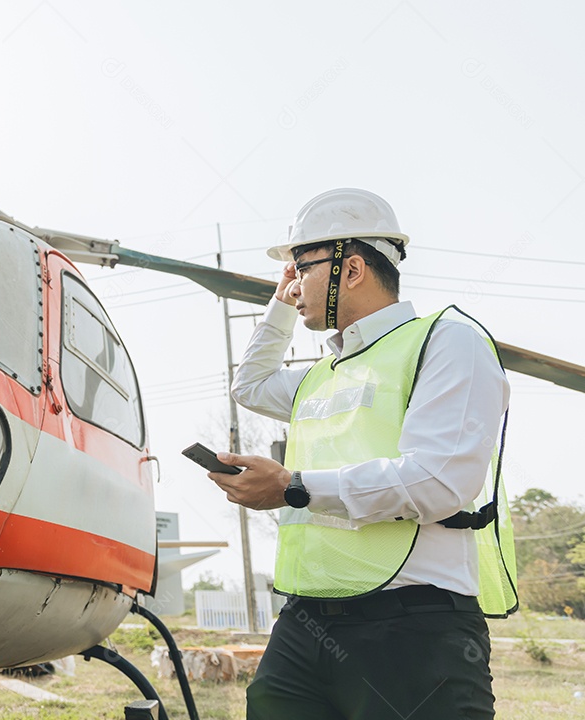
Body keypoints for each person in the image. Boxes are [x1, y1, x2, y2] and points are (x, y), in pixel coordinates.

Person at [207, 188, 517, 720]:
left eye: (301, 267)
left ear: (351, 270)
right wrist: (281, 307)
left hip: (414, 626)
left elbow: (437, 483)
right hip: (307, 624)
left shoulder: (447, 343)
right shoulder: (321, 375)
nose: (292, 284)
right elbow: (250, 385)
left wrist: (293, 488)